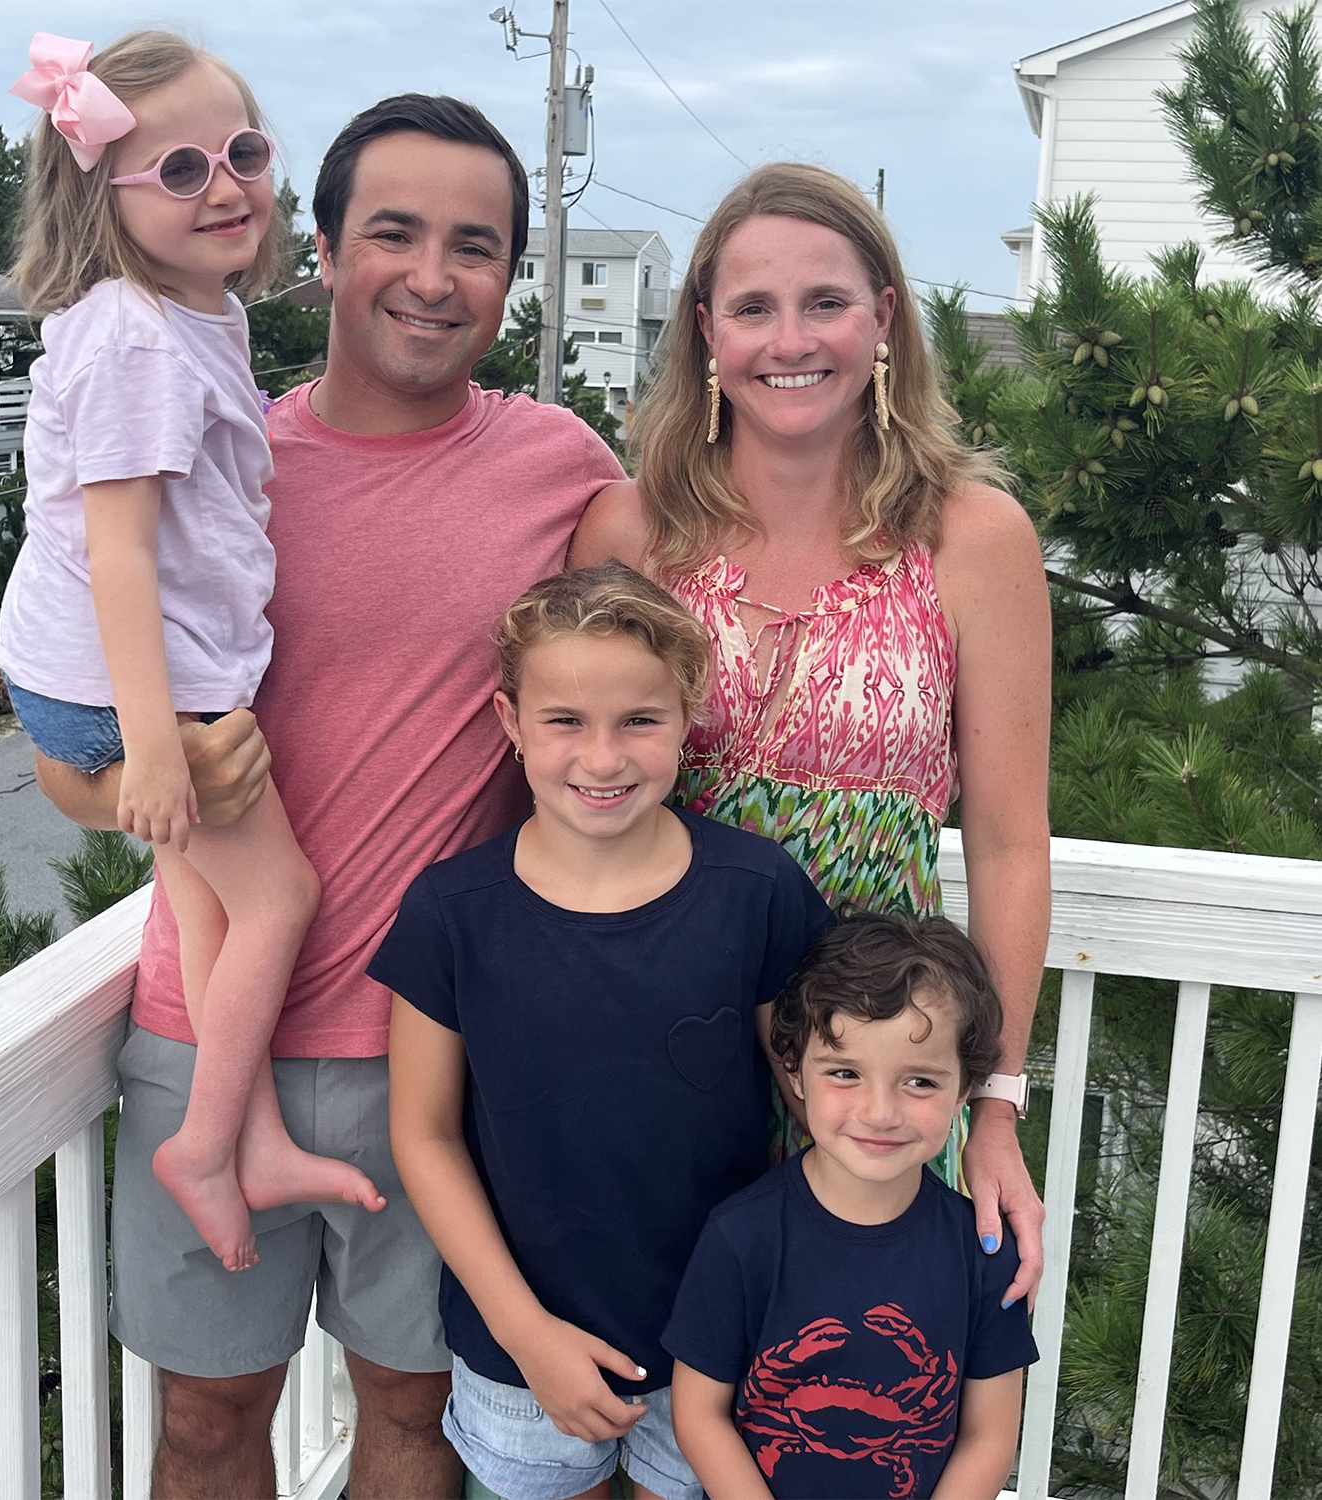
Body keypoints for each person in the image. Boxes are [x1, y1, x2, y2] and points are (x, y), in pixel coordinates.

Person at [33, 94, 628, 1499]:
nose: (433, 275)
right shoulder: (212, 449)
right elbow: (66, 761)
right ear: (322, 246)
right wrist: (131, 773)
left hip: (433, 1051)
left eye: (475, 245)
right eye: (395, 233)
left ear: (511, 275)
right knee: (205, 1423)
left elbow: (671, 674)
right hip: (203, 1033)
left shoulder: (565, 471)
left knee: (411, 1419)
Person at [570, 163, 1051, 1305]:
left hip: (874, 1069)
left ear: (884, 315)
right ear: (705, 331)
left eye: (826, 302)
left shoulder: (973, 538)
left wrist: (994, 1100)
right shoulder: (632, 529)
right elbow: (560, 791)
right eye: (753, 308)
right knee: (631, 1389)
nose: (792, 340)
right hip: (654, 1045)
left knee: (830, 1392)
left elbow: (1009, 840)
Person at [0, 30, 384, 1275]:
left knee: (212, 899)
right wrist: (154, 752)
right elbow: (120, 554)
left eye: (244, 152)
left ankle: (244, 1129)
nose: (224, 185)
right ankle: (210, 1146)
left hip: (130, 681)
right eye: (177, 170)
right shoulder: (140, 342)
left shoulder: (184, 315)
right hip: (120, 693)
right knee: (280, 895)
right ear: (100, 194)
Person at [381, 564, 833, 1500]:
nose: (603, 757)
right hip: (523, 1349)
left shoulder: (757, 892)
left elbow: (814, 1106)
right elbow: (422, 1133)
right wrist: (525, 1333)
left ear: (687, 717)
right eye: (564, 723)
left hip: (718, 1339)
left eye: (639, 721)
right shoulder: (451, 913)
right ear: (509, 723)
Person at [663, 911, 1038, 1500]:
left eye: (920, 1081)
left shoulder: (985, 1255)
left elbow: (989, 1436)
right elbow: (698, 1415)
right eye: (845, 1072)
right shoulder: (741, 1238)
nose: (880, 1112)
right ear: (796, 1072)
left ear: (966, 1086)